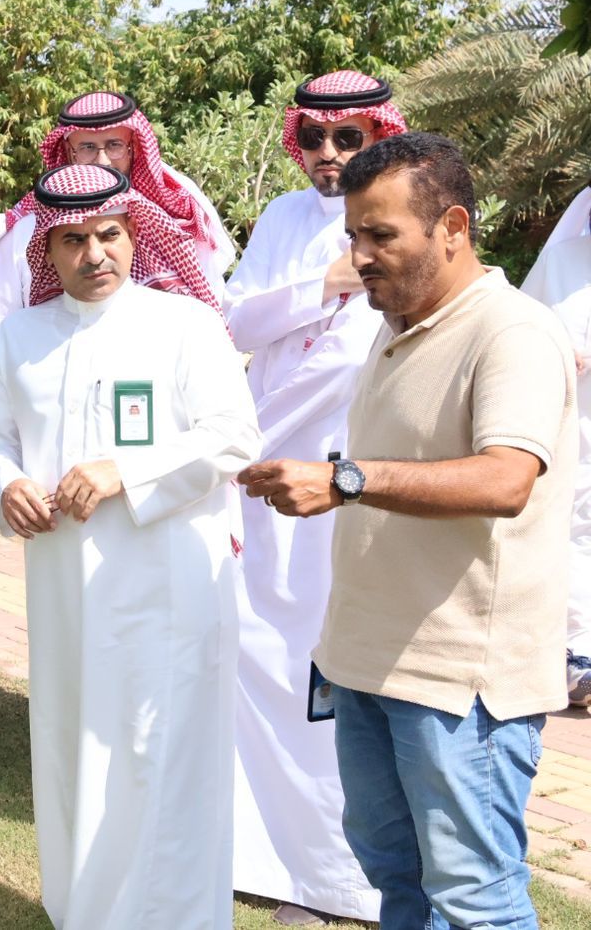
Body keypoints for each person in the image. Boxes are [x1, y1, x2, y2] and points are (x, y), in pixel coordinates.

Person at [241, 132, 575, 930]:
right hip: (367, 665)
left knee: (473, 898)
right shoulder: (394, 326)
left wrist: (345, 480)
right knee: (397, 878)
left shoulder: (511, 333)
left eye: (381, 235)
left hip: (460, 684)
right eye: (353, 235)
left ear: (453, 227)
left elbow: (506, 480)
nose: (358, 256)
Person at [0, 163, 261, 930]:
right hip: (64, 588)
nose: (94, 254)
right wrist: (7, 484)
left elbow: (235, 437)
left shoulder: (185, 325)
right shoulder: (19, 336)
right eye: (73, 240)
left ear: (135, 234)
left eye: (109, 235)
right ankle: (83, 910)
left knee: (161, 749)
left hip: (169, 587)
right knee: (74, 741)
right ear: (48, 250)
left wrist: (124, 472)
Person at [223, 69, 408, 924]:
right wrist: (326, 283)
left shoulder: (404, 215)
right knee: (257, 651)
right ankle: (257, 857)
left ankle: (338, 878)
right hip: (267, 468)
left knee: (333, 676)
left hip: (352, 479)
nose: (328, 154)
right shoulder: (284, 218)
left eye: (348, 138)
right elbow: (236, 322)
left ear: (379, 136)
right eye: (313, 138)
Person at [0, 90, 234, 318]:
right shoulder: (29, 230)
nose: (102, 161)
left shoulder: (177, 217)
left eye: (115, 145)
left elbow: (211, 297)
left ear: (133, 148)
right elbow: (1, 317)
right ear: (69, 152)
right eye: (88, 147)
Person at [522, 239, 591, 706]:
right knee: (573, 528)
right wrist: (558, 349)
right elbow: (521, 325)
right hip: (570, 430)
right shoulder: (564, 256)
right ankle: (576, 655)